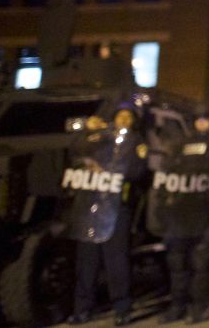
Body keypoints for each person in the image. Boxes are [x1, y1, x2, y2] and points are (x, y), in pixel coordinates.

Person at [146, 106, 209, 323]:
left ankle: (199, 307)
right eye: (198, 119)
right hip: (180, 213)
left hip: (205, 213)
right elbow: (168, 168)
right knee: (177, 266)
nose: (201, 123)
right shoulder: (182, 143)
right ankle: (178, 306)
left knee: (200, 266)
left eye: (205, 118)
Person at [64, 102, 147, 326]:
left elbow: (137, 171)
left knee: (116, 259)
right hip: (91, 206)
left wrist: (110, 170)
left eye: (128, 117)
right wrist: (88, 131)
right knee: (86, 260)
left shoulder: (136, 142)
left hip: (117, 207)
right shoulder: (102, 138)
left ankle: (122, 307)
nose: (123, 120)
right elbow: (76, 152)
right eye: (120, 116)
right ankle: (82, 308)